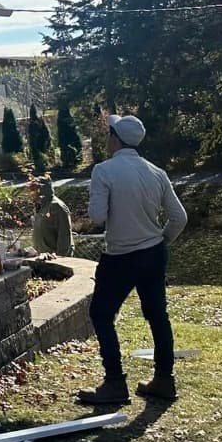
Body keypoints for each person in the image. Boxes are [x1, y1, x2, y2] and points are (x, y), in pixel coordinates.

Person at [78, 114, 188, 405]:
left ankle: (115, 383)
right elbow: (179, 217)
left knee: (101, 315)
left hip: (121, 257)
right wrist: (161, 241)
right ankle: (164, 380)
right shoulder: (156, 172)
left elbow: (97, 217)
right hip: (153, 253)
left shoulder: (104, 171)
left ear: (115, 138)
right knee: (157, 316)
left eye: (108, 134)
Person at [31, 177, 74, 256]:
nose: (31, 193)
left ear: (42, 190)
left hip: (54, 258)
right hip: (42, 257)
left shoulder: (57, 206)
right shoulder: (40, 206)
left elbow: (64, 235)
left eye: (34, 189)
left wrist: (60, 258)